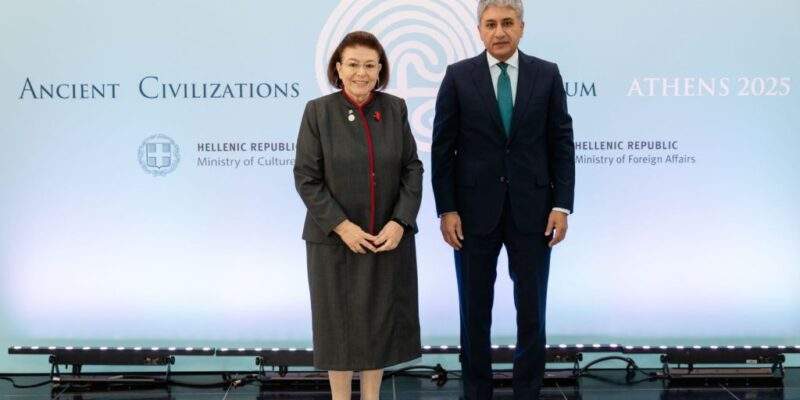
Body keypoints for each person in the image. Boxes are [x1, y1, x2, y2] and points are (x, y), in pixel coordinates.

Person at [431, 1, 575, 399]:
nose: (500, 32)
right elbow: (442, 149)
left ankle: (527, 390)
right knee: (474, 311)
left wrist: (561, 205)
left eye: (508, 23)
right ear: (479, 29)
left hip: (535, 212)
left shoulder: (547, 74)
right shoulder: (458, 77)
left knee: (532, 311)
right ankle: (477, 390)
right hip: (472, 214)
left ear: (522, 28)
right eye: (491, 24)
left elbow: (561, 142)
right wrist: (447, 209)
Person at [293, 31, 424, 400]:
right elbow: (306, 177)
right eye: (353, 64)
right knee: (339, 330)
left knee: (377, 327)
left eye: (369, 65)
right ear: (338, 67)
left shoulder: (395, 108)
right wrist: (341, 226)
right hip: (334, 242)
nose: (361, 73)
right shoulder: (318, 112)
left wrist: (400, 222)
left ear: (380, 69)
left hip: (384, 238)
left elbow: (412, 168)